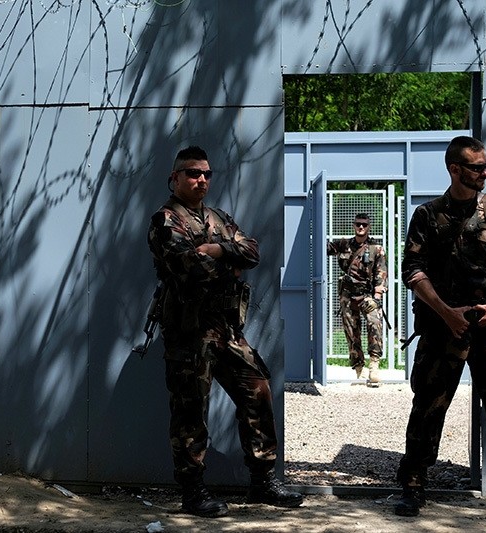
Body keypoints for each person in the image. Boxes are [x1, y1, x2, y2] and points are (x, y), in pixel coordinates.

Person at [147, 146, 303, 518]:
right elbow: (190, 268)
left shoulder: (218, 218)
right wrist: (227, 263)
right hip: (189, 331)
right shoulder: (166, 220)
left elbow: (252, 252)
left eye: (206, 173)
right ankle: (193, 490)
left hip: (225, 328)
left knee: (257, 388)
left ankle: (262, 481)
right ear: (175, 178)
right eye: (192, 173)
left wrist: (216, 249)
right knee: (191, 410)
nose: (201, 179)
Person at [394, 136, 486, 520]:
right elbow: (412, 269)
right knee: (429, 405)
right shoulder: (428, 216)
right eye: (477, 167)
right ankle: (413, 486)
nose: (485, 172)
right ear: (455, 169)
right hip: (444, 327)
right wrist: (444, 311)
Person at [327, 213, 388, 386]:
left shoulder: (376, 248)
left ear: (369, 227)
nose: (361, 227)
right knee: (351, 331)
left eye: (364, 225)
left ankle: (374, 365)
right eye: (358, 224)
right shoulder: (344, 244)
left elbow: (381, 274)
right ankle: (359, 368)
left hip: (368, 294)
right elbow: (322, 248)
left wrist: (376, 297)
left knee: (374, 324)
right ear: (354, 226)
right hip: (348, 294)